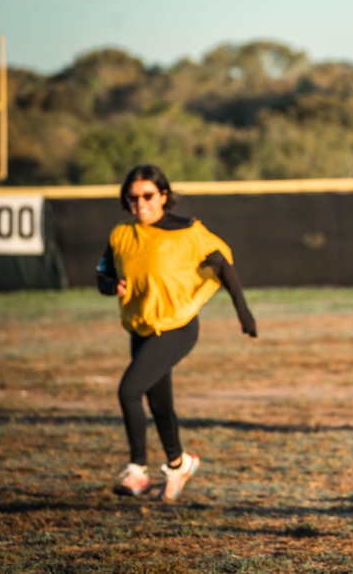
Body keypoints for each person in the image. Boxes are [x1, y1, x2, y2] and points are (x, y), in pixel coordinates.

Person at [96, 164, 257, 501]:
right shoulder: (121, 234)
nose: (140, 203)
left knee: (129, 390)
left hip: (177, 327)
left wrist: (243, 313)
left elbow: (223, 265)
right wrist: (113, 284)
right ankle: (178, 464)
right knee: (160, 403)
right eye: (132, 197)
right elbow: (103, 276)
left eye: (147, 196)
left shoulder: (188, 231)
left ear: (163, 196)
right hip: (141, 326)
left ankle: (136, 470)